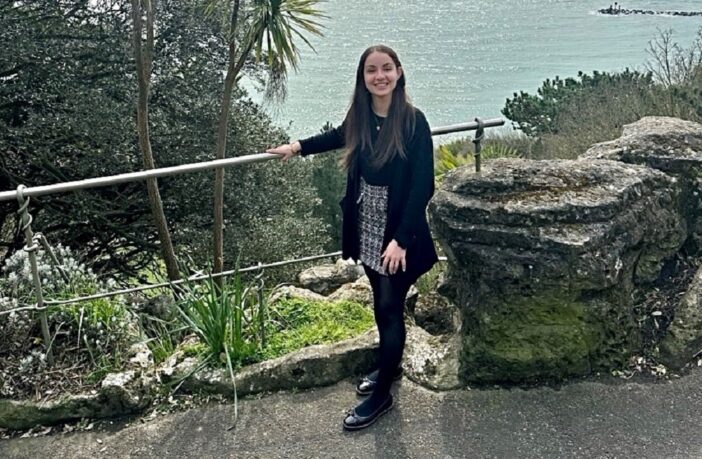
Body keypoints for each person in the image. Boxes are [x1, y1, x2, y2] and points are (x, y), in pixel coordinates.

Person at [267, 44, 438, 431]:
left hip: (398, 233)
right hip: (367, 225)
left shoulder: (413, 121)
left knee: (391, 307)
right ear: (363, 79)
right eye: (371, 71)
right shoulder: (361, 116)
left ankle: (382, 397)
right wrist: (296, 147)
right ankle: (387, 368)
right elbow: (337, 136)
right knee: (382, 304)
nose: (379, 76)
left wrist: (402, 240)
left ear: (399, 72)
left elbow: (422, 186)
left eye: (386, 69)